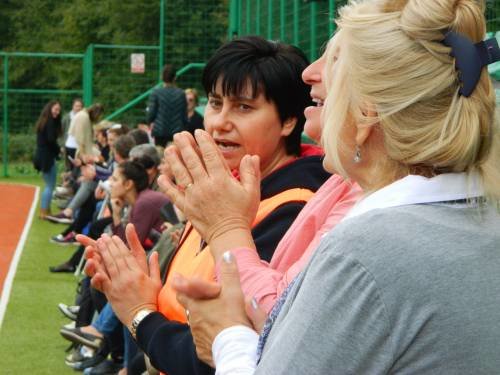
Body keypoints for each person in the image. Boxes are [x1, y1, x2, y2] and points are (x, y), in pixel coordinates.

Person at [161, 0, 500, 373]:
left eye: (335, 60)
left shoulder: (365, 252)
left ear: (367, 112)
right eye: (216, 103)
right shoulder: (479, 215)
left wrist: (227, 337)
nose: (309, 73)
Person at [80, 36, 332, 375]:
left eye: (244, 107)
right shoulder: (220, 192)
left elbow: (225, 352)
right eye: (214, 103)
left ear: (288, 121)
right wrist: (143, 291)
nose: (219, 122)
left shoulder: (295, 210)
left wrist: (139, 313)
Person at [34, 100, 62, 219]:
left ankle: (46, 210)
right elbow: (51, 140)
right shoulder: (50, 122)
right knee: (50, 185)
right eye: (55, 109)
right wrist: (59, 150)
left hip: (42, 156)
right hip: (47, 158)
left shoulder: (43, 121)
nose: (57, 112)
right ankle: (44, 212)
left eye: (59, 110)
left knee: (48, 184)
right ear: (50, 109)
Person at [147, 65, 188, 147]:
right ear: (175, 77)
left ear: (162, 77)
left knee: (160, 154)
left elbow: (151, 113)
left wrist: (149, 121)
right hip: (177, 131)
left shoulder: (156, 93)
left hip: (160, 131)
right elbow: (184, 115)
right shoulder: (181, 93)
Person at [62, 98, 84, 170]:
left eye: (80, 106)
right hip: (68, 146)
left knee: (80, 167)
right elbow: (61, 132)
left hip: (80, 147)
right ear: (73, 106)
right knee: (69, 166)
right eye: (76, 106)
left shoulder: (85, 118)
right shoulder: (66, 118)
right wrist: (61, 145)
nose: (78, 108)